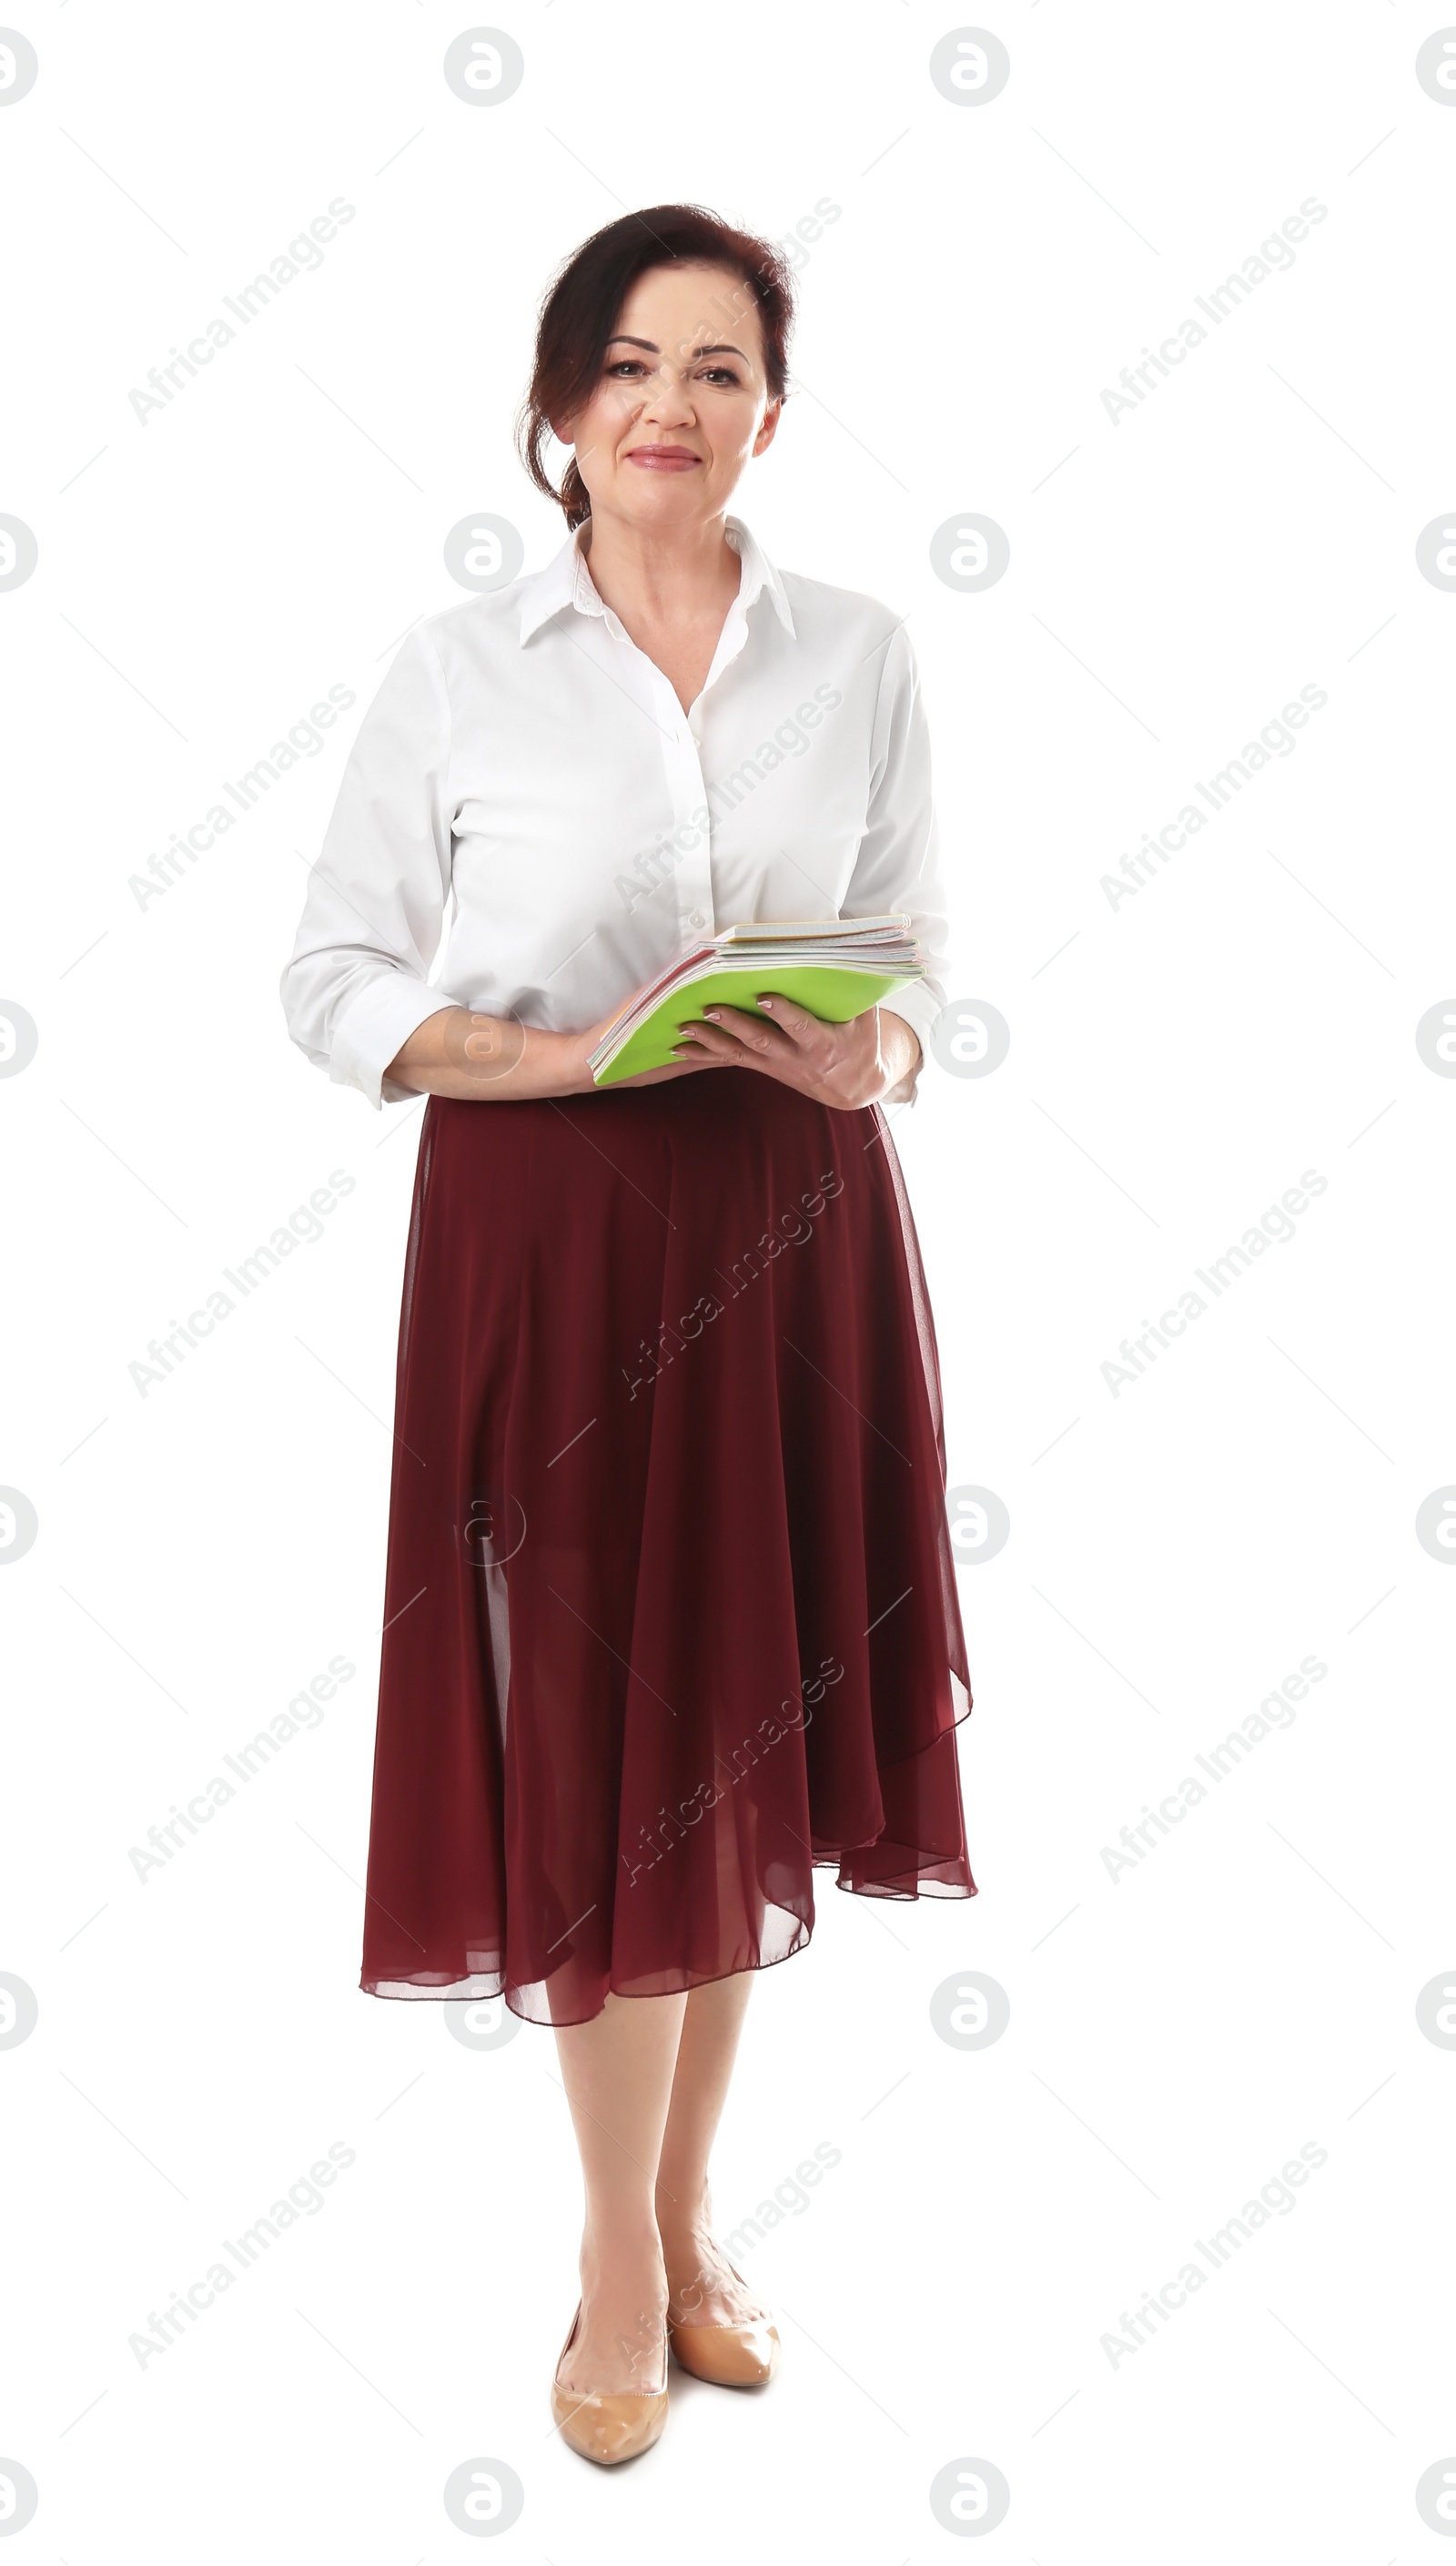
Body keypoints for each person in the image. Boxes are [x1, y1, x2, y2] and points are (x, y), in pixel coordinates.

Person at [280, 204, 975, 2467]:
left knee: (738, 1744)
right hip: (549, 1242)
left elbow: (913, 969)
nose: (674, 407)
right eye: (632, 367)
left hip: (787, 1229)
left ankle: (684, 2234)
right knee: (598, 1744)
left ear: (771, 408)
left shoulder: (855, 647)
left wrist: (852, 1053)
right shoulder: (457, 668)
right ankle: (607, 2263)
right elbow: (332, 989)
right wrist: (578, 1060)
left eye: (720, 369)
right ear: (563, 407)